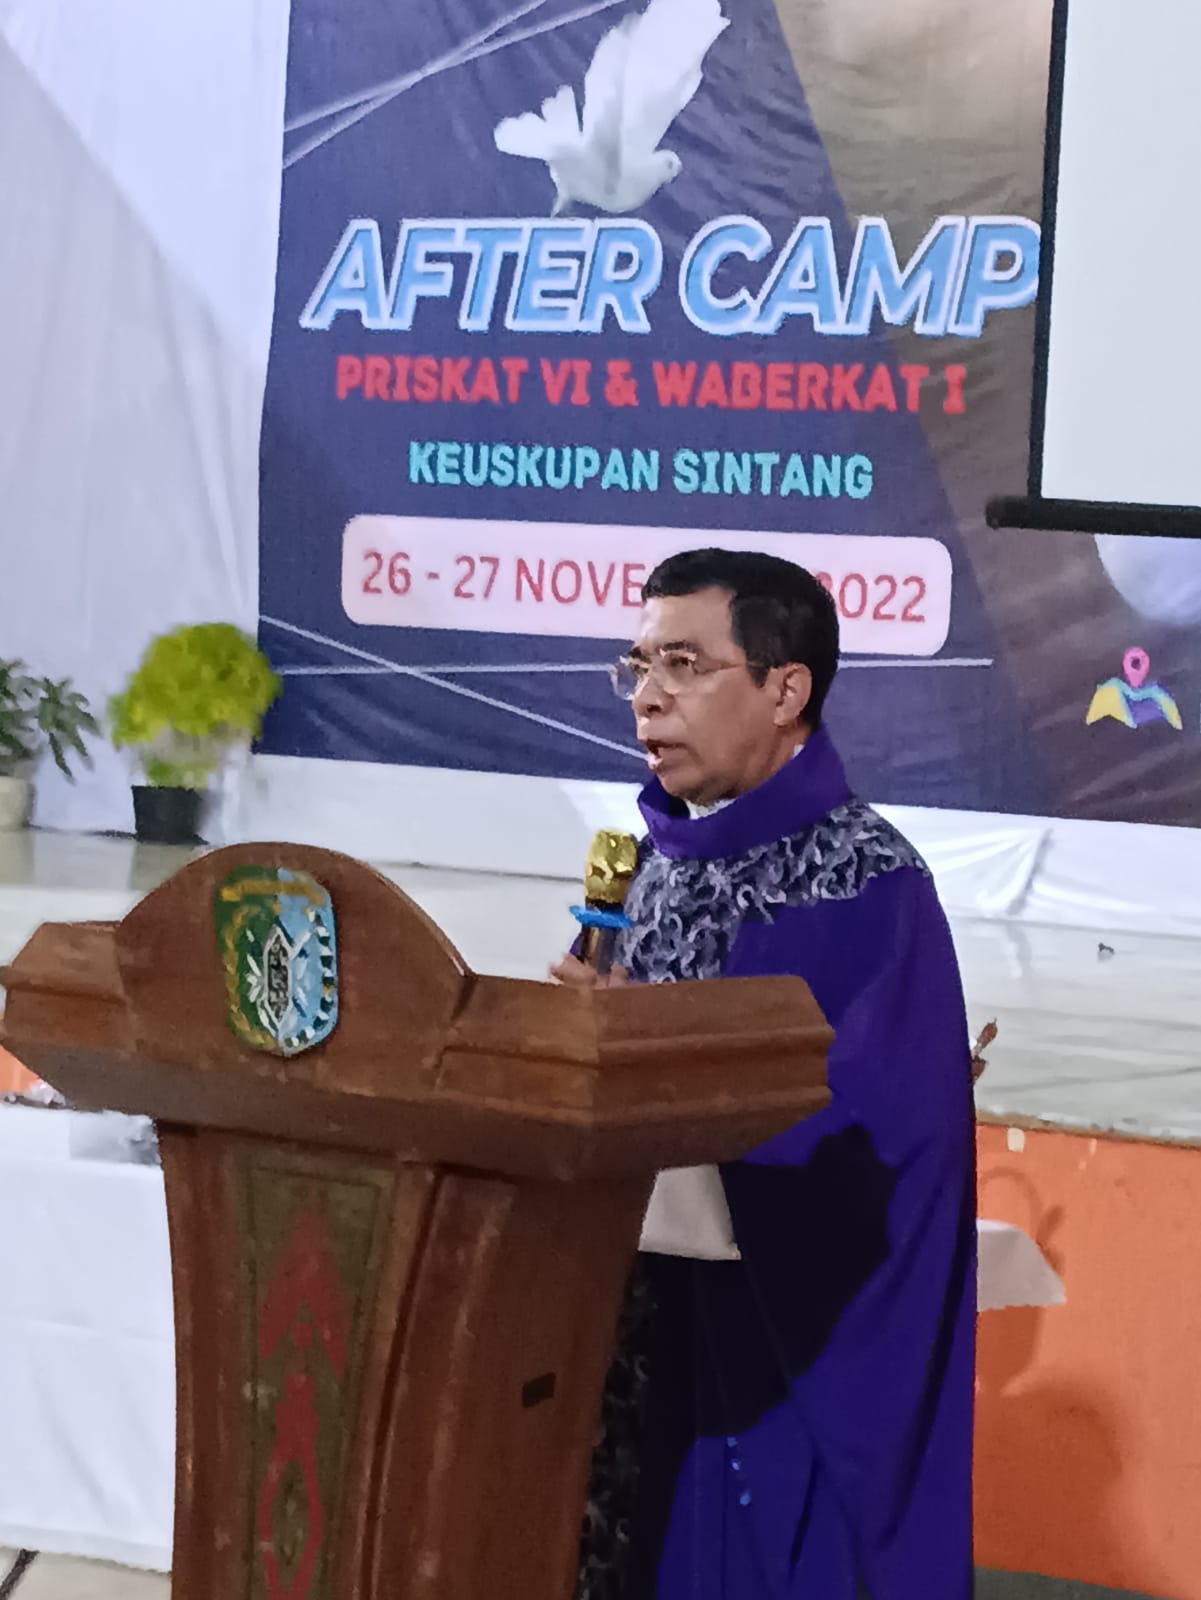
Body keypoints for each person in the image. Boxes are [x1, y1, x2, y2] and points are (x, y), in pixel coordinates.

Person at [554, 549, 976, 1600]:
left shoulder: (863, 883)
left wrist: (658, 1060)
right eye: (638, 665)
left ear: (786, 690)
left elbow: (866, 1139)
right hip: (630, 1319)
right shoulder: (650, 867)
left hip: (772, 1352)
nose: (647, 696)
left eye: (683, 664)